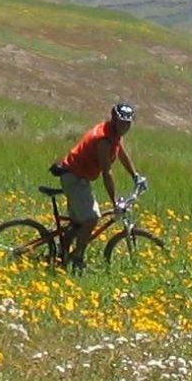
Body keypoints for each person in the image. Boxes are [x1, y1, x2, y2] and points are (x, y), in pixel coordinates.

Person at [51, 102, 147, 269]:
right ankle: (77, 257)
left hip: (78, 176)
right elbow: (106, 172)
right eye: (122, 122)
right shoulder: (103, 139)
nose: (125, 127)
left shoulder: (113, 133)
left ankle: (63, 253)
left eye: (128, 124)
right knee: (92, 218)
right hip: (74, 178)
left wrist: (135, 176)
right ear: (114, 119)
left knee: (78, 222)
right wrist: (115, 202)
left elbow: (122, 153)